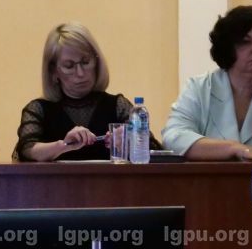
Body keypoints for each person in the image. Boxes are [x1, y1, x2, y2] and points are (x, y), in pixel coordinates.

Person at [162, 5, 252, 160]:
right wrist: (234, 148)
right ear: (228, 49)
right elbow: (173, 138)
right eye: (245, 42)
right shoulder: (200, 88)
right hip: (209, 176)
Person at [13, 23, 157, 161]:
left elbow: (155, 150)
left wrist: (131, 142)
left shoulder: (118, 106)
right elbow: (26, 150)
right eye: (69, 66)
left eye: (85, 62)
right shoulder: (38, 110)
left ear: (97, 62)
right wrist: (64, 146)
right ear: (53, 71)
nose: (80, 73)